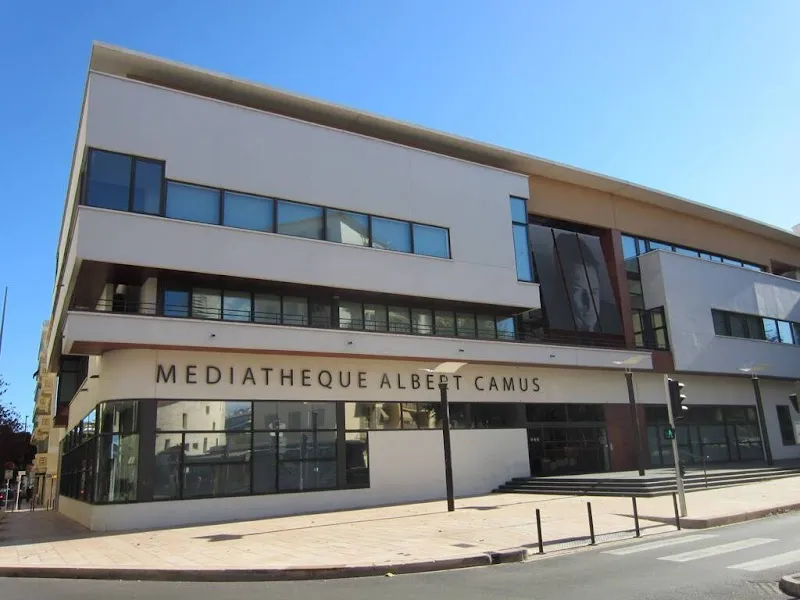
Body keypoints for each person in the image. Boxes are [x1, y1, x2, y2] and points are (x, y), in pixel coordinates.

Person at [554, 232, 602, 332]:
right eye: (578, 290)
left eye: (594, 292)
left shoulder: (612, 317)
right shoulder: (557, 319)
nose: (590, 305)